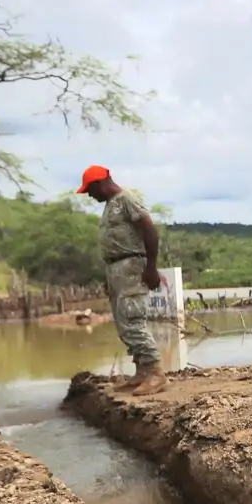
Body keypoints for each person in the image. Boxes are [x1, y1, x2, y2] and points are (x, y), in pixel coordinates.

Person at [78, 165, 167, 395]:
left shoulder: (127, 199)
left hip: (132, 266)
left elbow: (149, 230)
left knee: (133, 319)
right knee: (123, 324)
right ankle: (142, 371)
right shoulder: (110, 206)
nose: (89, 195)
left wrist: (151, 267)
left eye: (90, 189)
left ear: (100, 183)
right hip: (116, 269)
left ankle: (156, 373)